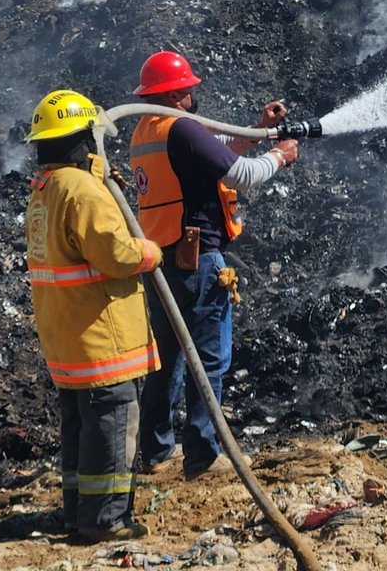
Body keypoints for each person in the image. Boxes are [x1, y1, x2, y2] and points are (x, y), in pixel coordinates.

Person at [129, 51, 298, 480]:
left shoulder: (146, 131)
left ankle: (154, 451)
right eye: (188, 88)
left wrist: (259, 129)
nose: (192, 94)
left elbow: (216, 156)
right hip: (198, 258)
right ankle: (202, 456)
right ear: (177, 93)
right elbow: (239, 174)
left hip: (160, 262)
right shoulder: (182, 128)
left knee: (166, 359)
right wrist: (280, 155)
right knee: (210, 358)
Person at [25, 89, 163, 544]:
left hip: (67, 338)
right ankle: (104, 520)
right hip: (101, 338)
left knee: (80, 428)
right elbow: (117, 254)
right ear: (85, 137)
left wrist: (98, 177)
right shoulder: (83, 191)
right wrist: (149, 251)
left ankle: (76, 513)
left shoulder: (46, 189)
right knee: (112, 424)